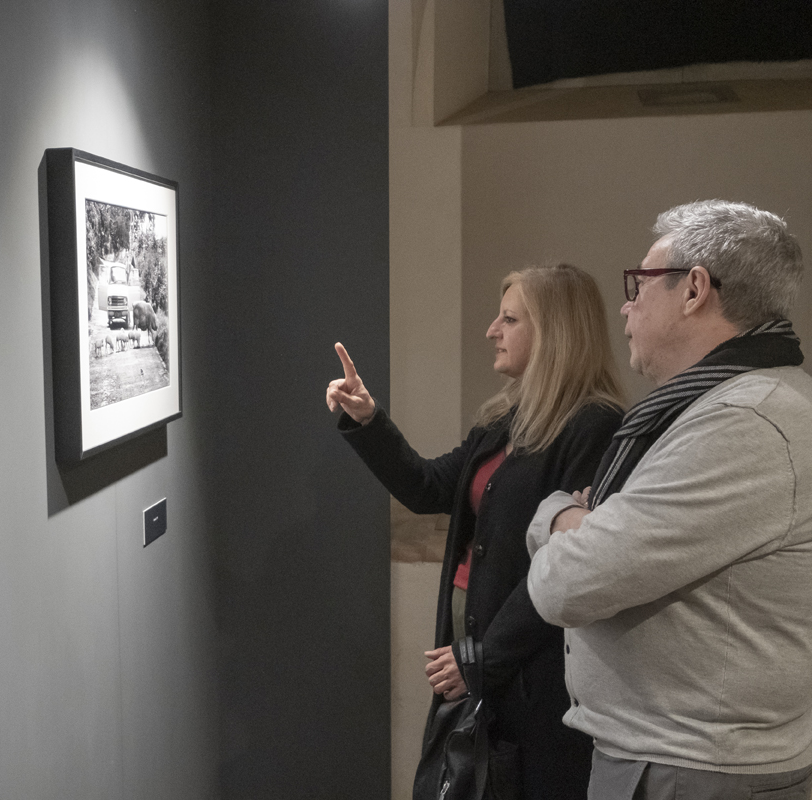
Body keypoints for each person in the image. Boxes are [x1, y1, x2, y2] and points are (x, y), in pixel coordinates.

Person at [525, 201, 812, 799]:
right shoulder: (728, 404)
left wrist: (557, 515)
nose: (627, 305)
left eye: (640, 284)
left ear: (695, 290)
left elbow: (568, 584)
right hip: (678, 758)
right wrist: (589, 524)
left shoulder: (743, 423)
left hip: (691, 771)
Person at [327, 263, 625, 798]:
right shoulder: (505, 420)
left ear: (553, 333)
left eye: (509, 319)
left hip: (532, 674)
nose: (492, 329)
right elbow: (427, 487)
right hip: (476, 660)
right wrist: (369, 421)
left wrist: (484, 658)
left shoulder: (593, 425)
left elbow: (568, 568)